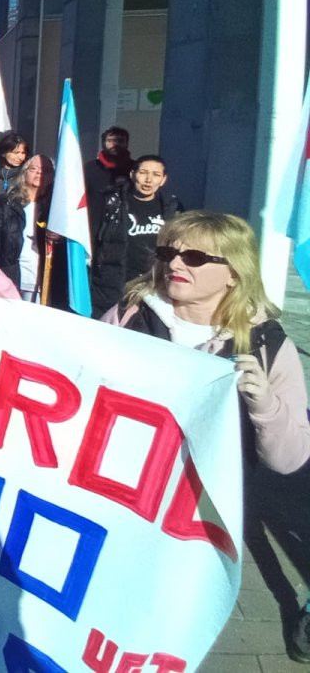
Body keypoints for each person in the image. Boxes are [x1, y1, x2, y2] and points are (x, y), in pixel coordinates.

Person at [103, 211, 310, 474]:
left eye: (194, 258)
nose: (175, 265)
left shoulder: (268, 344)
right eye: (168, 254)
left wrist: (266, 405)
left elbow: (289, 461)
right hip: (123, 482)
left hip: (202, 504)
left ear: (234, 273)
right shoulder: (128, 315)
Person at [90, 154, 182, 317]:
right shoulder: (110, 202)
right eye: (143, 173)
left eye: (156, 175)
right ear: (132, 175)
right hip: (111, 284)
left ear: (163, 179)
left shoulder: (172, 207)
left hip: (152, 284)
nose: (148, 180)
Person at [0, 155, 66, 304]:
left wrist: (59, 238)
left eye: (46, 170)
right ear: (24, 172)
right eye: (34, 169)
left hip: (45, 281)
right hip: (13, 280)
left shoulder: (56, 209)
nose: (39, 173)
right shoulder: (6, 203)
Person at [84, 125, 133, 225]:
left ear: (127, 143)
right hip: (93, 225)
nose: (115, 144)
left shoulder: (136, 169)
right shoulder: (89, 168)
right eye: (110, 141)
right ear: (103, 143)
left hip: (127, 225)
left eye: (120, 141)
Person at [0, 132, 29, 197]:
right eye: (16, 153)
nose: (20, 157)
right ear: (3, 153)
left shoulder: (26, 174)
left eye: (23, 153)